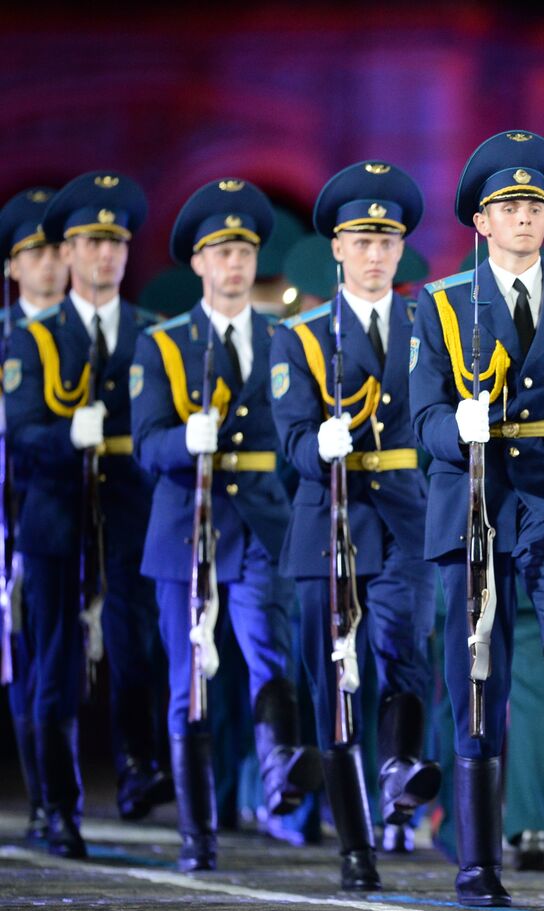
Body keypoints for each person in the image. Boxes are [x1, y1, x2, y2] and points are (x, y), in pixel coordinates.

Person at [411, 130, 544, 907]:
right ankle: (476, 858)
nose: (526, 216)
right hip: (470, 490)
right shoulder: (440, 304)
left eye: (535, 204)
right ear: (482, 222)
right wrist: (453, 428)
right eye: (509, 205)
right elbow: (420, 417)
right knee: (478, 668)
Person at [131, 178, 320, 872]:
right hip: (188, 532)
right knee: (192, 686)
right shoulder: (166, 346)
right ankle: (197, 830)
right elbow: (146, 445)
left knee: (271, 655)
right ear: (199, 264)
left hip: (262, 529)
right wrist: (188, 440)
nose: (236, 264)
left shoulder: (283, 339)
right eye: (222, 252)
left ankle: (278, 778)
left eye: (244, 250)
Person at [270, 160, 441, 889]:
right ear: (337, 249)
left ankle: (401, 764)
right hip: (327, 520)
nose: (375, 255)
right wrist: (317, 446)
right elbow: (288, 440)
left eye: (387, 242)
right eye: (361, 241)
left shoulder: (427, 325)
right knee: (333, 683)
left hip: (406, 515)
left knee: (405, 649)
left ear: (400, 250)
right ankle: (353, 844)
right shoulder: (302, 336)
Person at [5, 172, 170, 858]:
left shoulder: (151, 334)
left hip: (129, 517)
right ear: (68, 251)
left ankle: (139, 765)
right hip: (53, 520)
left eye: (116, 242)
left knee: (140, 651)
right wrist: (64, 437)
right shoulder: (34, 340)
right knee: (56, 670)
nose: (104, 256)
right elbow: (20, 430)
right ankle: (57, 805)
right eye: (90, 242)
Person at [0, 186, 69, 846]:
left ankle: (55, 799)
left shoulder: (87, 335)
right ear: (13, 268)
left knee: (53, 655)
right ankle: (42, 794)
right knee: (23, 657)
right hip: (12, 513)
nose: (50, 265)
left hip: (62, 515)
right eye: (36, 254)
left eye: (58, 252)